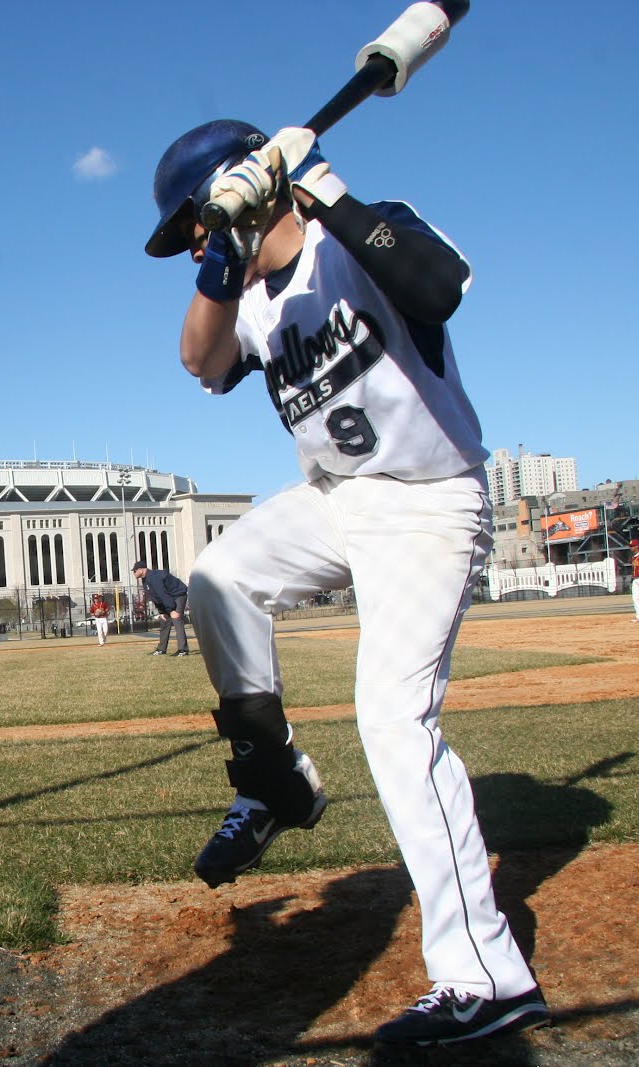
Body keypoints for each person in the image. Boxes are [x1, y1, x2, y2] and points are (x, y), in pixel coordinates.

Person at [143, 119, 546, 1043]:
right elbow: (198, 361)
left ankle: (486, 974)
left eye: (194, 230)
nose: (195, 248)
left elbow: (439, 288)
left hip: (428, 500)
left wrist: (312, 184)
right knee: (217, 577)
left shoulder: (354, 234)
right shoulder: (245, 299)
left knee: (393, 718)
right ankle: (273, 774)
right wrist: (222, 256)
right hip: (338, 498)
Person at [133, 561, 189, 657]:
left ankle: (183, 649)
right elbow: (155, 597)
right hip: (168, 598)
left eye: (134, 571)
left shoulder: (154, 577)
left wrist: (171, 610)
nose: (134, 573)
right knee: (164, 621)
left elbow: (162, 594)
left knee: (176, 619)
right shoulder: (145, 580)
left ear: (141, 570)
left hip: (178, 595)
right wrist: (162, 612)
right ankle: (161, 649)